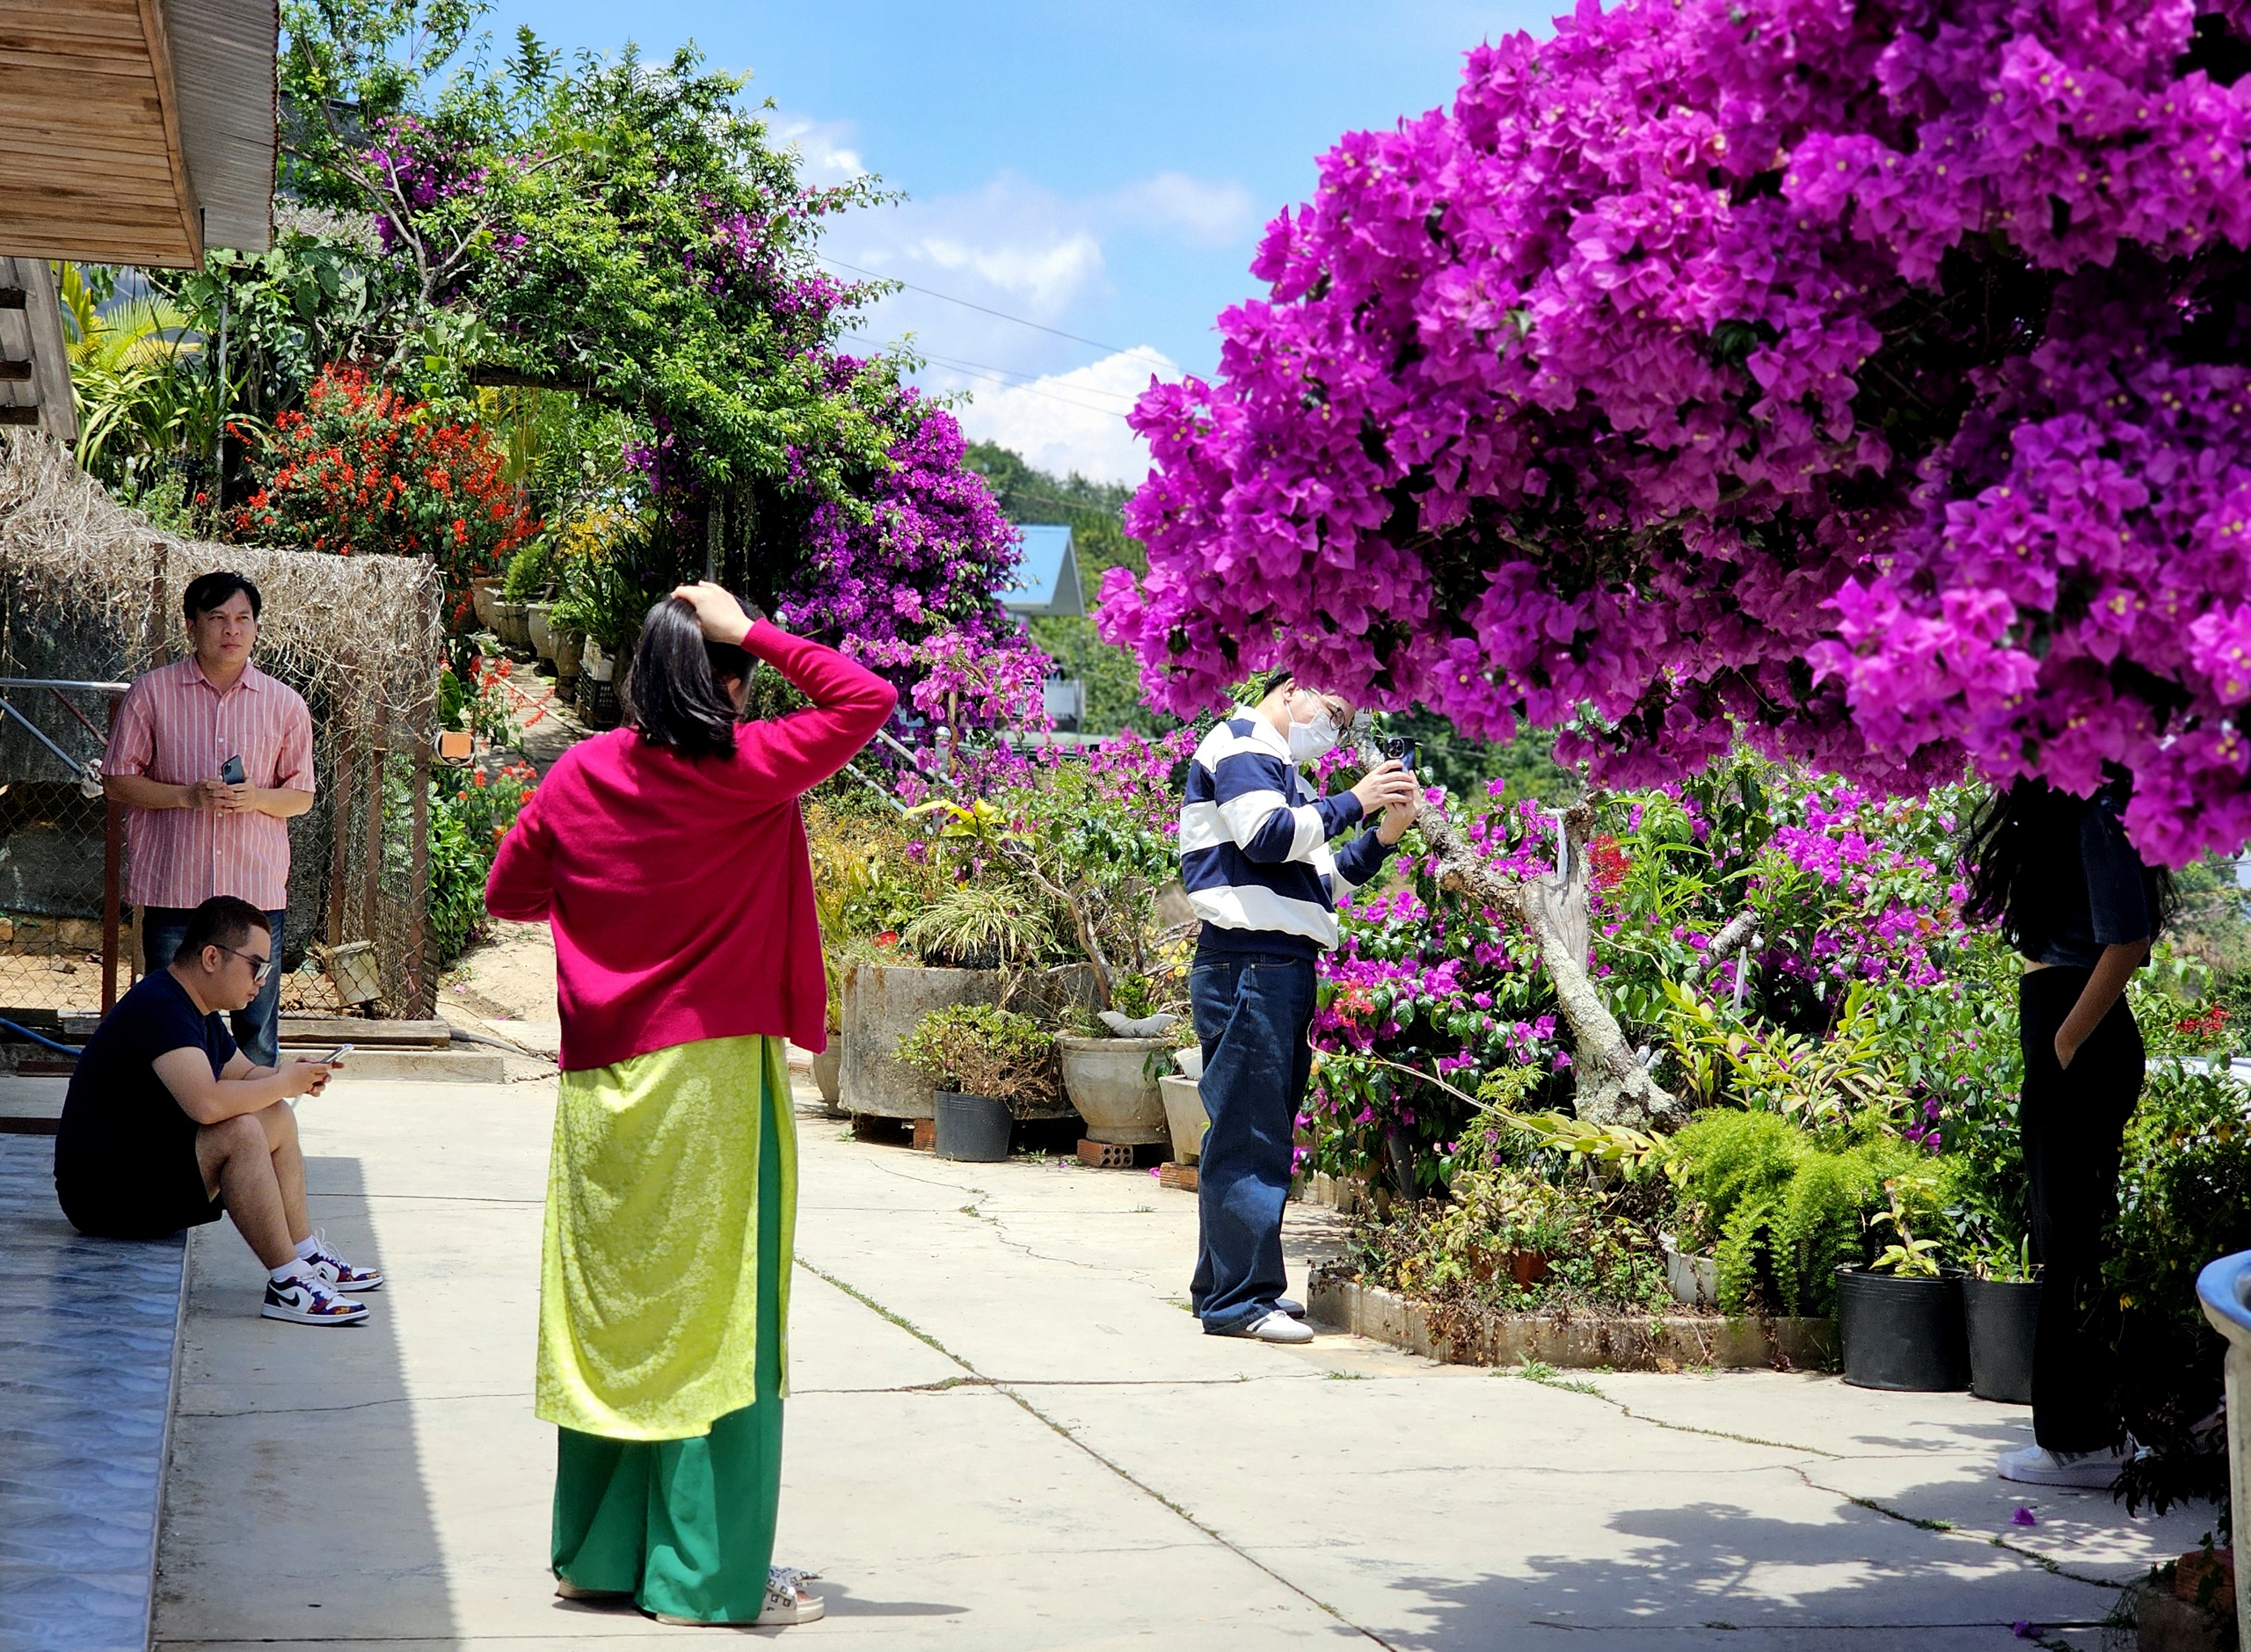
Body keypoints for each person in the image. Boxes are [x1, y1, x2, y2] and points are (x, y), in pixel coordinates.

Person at [486, 583, 894, 1628]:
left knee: (619, 1316)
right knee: (723, 1327)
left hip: (600, 1087)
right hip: (710, 1083)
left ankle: (601, 1556)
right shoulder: (744, 772)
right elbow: (864, 699)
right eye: (741, 670)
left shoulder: (580, 775)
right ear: (722, 678)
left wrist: (609, 898)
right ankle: (704, 1576)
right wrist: (751, 625)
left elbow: (509, 894)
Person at [1179, 669, 1421, 1343]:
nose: (1335, 730)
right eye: (1334, 711)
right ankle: (1240, 1300)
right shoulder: (1243, 744)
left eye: (1345, 723)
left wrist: (1382, 836)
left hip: (1273, 964)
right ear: (1293, 689)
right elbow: (1265, 837)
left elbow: (1318, 882)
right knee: (1250, 1133)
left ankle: (1225, 1285)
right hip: (1248, 962)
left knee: (1251, 1128)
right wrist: (1358, 799)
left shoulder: (1284, 773)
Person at [1963, 775, 2174, 1488]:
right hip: (2065, 1028)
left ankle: (2083, 1440)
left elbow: (2128, 942)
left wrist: (2065, 1040)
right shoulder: (2080, 814)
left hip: (2080, 1037)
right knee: (2069, 1230)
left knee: (2075, 1235)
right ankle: (2087, 1432)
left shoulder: (2098, 812)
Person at [53, 896, 373, 1325]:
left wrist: (292, 1075)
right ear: (210, 957)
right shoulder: (161, 1007)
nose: (262, 981)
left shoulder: (194, 1009)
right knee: (239, 1132)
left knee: (275, 1116)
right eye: (256, 966)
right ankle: (287, 1283)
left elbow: (245, 1077)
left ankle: (305, 1254)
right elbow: (206, 1104)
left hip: (140, 1173)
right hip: (103, 1196)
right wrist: (281, 1083)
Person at [104, 571, 316, 1071]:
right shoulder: (151, 694)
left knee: (257, 1029)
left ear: (257, 629)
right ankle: (172, 1141)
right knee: (169, 1026)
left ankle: (254, 1139)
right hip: (175, 890)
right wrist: (186, 795)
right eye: (217, 618)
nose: (231, 630)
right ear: (191, 625)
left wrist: (257, 797)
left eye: (243, 618)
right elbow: (117, 782)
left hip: (254, 897)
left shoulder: (285, 703)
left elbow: (302, 796)